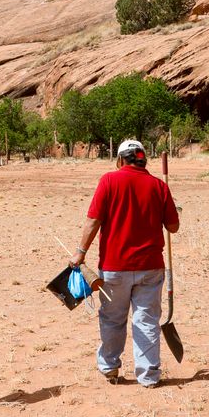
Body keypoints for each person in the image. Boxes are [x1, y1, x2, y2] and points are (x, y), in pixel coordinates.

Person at [69, 139, 179, 388]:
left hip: (114, 267)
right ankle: (149, 376)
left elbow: (93, 220)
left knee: (112, 319)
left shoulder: (109, 180)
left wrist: (80, 252)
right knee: (147, 320)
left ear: (120, 160)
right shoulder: (159, 186)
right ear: (143, 160)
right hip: (150, 267)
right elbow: (173, 226)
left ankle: (110, 368)